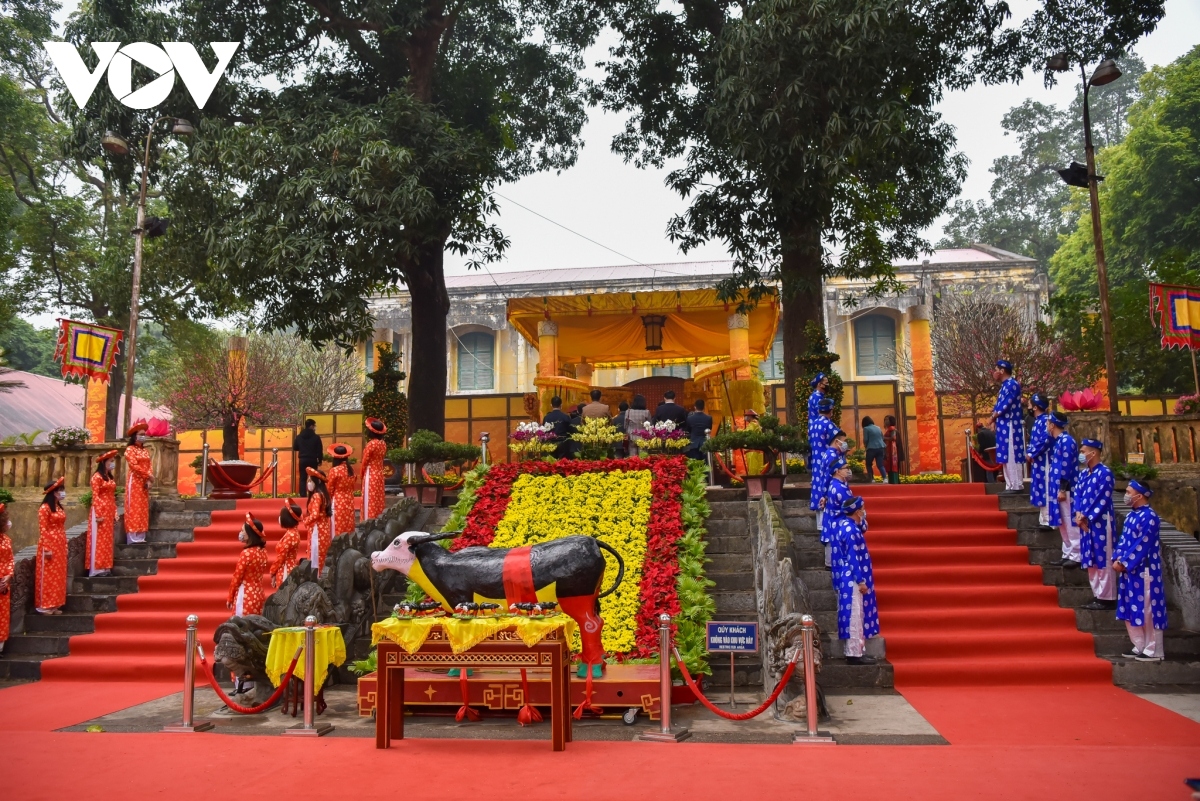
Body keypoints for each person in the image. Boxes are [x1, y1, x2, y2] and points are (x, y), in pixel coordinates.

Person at [1112, 480, 1167, 662]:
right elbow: (1122, 541)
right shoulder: (1131, 516)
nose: (1126, 495)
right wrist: (1117, 559)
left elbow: (1143, 543)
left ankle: (1153, 649)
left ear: (1140, 495)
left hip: (1145, 570)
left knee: (1148, 609)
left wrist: (1125, 562)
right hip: (1129, 571)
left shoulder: (1150, 517)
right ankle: (1140, 644)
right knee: (1131, 607)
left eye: (1129, 491)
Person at [830, 495, 880, 665]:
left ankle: (855, 650)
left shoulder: (845, 525)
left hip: (846, 576)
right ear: (857, 511)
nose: (865, 511)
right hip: (851, 577)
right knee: (855, 615)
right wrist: (860, 581)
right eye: (863, 508)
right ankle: (854, 653)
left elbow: (863, 525)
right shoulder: (850, 530)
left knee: (853, 614)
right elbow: (852, 557)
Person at [1073, 438, 1117, 610]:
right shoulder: (1084, 474)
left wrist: (1087, 517)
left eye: (1083, 451)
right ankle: (1097, 594)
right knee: (1090, 558)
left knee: (1103, 557)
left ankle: (1107, 597)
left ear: (1093, 453)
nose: (1081, 455)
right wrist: (1078, 514)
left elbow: (1103, 499)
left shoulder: (1105, 473)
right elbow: (1077, 494)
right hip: (1084, 522)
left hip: (1100, 522)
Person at [1047, 412, 1081, 567]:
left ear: (1052, 425)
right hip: (1058, 487)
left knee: (1069, 519)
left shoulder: (1066, 441)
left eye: (1048, 423)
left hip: (1066, 488)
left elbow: (1066, 466)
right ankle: (1067, 552)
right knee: (1062, 521)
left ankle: (1076, 554)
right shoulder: (1059, 441)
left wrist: (1062, 487)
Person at [988, 359, 1024, 493]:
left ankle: (1016, 485)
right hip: (1004, 424)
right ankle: (1010, 484)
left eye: (996, 370)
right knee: (1005, 454)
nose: (995, 373)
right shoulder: (1004, 385)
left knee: (1011, 453)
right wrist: (995, 420)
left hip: (1010, 424)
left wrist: (992, 418)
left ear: (1002, 371)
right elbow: (998, 405)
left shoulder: (1012, 384)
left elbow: (1004, 405)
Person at [36, 477, 67, 615]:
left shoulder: (58, 507)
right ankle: (45, 604)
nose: (62, 492)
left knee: (58, 574)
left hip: (60, 541)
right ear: (53, 492)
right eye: (60, 490)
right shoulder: (44, 508)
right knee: (48, 574)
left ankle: (54, 604)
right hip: (49, 542)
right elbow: (43, 529)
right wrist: (47, 548)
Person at [228, 514, 270, 616]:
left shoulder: (246, 553)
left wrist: (230, 596)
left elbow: (237, 577)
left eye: (243, 531)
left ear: (249, 534)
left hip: (245, 595)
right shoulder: (263, 552)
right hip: (258, 594)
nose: (241, 533)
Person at [87, 449, 119, 577]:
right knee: (99, 538)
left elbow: (112, 496)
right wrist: (99, 514)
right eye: (110, 461)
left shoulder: (109, 477)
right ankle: (98, 568)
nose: (112, 463)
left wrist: (114, 511)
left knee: (107, 539)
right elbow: (96, 496)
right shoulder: (97, 477)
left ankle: (106, 566)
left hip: (109, 509)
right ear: (103, 462)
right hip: (100, 510)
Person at [821, 452, 853, 571]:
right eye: (846, 468)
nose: (848, 470)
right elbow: (850, 507)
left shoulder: (835, 484)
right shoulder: (839, 487)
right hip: (840, 523)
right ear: (837, 471)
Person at [1025, 395, 1053, 527]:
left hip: (1045, 460)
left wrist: (1031, 453)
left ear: (1035, 407)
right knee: (1040, 487)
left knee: (1045, 486)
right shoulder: (1038, 421)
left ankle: (1048, 519)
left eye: (1030, 405)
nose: (1028, 408)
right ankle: (1043, 518)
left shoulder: (1046, 421)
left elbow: (1045, 440)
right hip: (1038, 460)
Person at [300, 467, 333, 573]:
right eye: (308, 480)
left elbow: (315, 515)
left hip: (317, 529)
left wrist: (305, 521)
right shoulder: (324, 495)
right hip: (323, 528)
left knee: (315, 554)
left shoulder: (316, 496)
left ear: (317, 481)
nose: (308, 483)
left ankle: (316, 577)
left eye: (310, 480)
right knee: (321, 554)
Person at [123, 422, 152, 543]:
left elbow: (149, 464)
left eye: (144, 434)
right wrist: (147, 475)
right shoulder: (130, 449)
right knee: (134, 506)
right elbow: (134, 465)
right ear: (134, 436)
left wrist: (149, 479)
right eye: (140, 434)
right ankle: (132, 535)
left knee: (142, 507)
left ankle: (141, 535)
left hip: (144, 481)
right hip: (135, 479)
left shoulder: (145, 450)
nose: (143, 436)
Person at [326, 443, 356, 537]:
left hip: (338, 501)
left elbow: (330, 489)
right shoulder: (351, 470)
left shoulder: (334, 470)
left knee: (337, 525)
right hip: (349, 500)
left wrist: (327, 502)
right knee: (348, 524)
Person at [361, 418, 388, 521]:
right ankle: (378, 519)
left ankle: (369, 521)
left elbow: (365, 461)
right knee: (378, 499)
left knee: (369, 499)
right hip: (379, 473)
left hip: (370, 473)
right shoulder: (383, 444)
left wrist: (362, 473)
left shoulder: (371, 444)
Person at [272, 500, 304, 587]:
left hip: (286, 569)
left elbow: (281, 556)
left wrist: (272, 571)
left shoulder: (291, 535)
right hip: (287, 567)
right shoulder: (292, 532)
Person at [293, 419, 323, 492]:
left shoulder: (299, 436)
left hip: (303, 459)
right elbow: (319, 450)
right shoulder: (316, 437)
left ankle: (302, 494)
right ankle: (314, 493)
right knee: (314, 476)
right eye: (314, 426)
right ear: (311, 426)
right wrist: (320, 460)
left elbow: (295, 448)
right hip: (312, 459)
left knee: (303, 478)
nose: (314, 427)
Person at [807, 372, 829, 469]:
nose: (828, 385)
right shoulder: (817, 397)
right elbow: (821, 413)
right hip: (819, 428)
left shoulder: (816, 396)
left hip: (815, 427)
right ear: (819, 384)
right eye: (826, 382)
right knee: (820, 453)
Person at [0, 503, 13, 654]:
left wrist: (9, 575)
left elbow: (10, 559)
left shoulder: (7, 540)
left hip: (4, 580)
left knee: (3, 613)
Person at [861, 416, 885, 482]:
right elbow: (882, 437)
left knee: (868, 464)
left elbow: (865, 439)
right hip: (881, 448)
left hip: (871, 448)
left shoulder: (866, 429)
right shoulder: (878, 427)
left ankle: (871, 479)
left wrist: (865, 446)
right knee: (880, 464)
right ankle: (885, 478)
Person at [882, 415, 903, 484]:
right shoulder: (889, 429)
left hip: (893, 453)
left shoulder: (892, 429)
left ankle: (894, 483)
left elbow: (893, 438)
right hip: (889, 452)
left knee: (893, 468)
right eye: (885, 419)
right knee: (890, 468)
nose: (885, 421)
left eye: (887, 419)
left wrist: (883, 438)